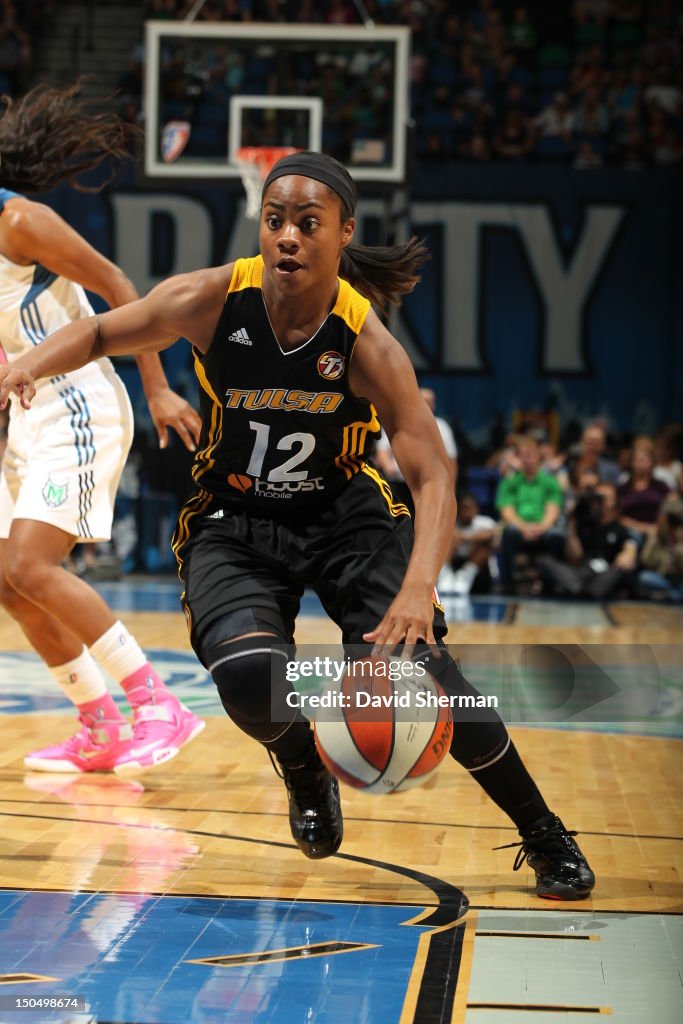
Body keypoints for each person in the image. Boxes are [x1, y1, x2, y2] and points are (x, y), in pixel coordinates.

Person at [0, 150, 594, 900]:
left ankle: (542, 831)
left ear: (343, 233)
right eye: (275, 220)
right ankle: (304, 766)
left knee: (425, 680)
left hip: (344, 517)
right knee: (252, 682)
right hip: (235, 519)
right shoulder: (210, 299)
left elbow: (433, 476)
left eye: (307, 223)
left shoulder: (365, 342)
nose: (286, 235)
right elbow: (97, 334)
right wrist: (26, 367)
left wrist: (418, 591)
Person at [0, 82, 205, 774]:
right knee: (7, 580)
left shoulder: (20, 221)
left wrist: (156, 387)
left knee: (31, 564)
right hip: (24, 418)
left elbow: (121, 289)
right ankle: (100, 727)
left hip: (77, 402)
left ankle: (159, 707)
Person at [537, 482, 638, 600]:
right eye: (598, 497)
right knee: (545, 561)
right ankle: (580, 589)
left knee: (620, 569)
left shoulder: (619, 528)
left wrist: (628, 553)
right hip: (580, 570)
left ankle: (587, 591)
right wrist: (572, 522)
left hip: (604, 572)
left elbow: (629, 546)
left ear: (614, 501)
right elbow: (575, 556)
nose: (601, 502)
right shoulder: (584, 524)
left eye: (605, 498)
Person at [496, 436, 566, 593]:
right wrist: (524, 528)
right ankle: (509, 582)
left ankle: (550, 583)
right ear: (518, 457)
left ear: (539, 457)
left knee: (558, 534)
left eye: (531, 455)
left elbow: (553, 510)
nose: (528, 459)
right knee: (508, 531)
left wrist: (541, 527)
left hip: (543, 528)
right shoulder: (509, 482)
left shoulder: (550, 482)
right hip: (519, 529)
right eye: (524, 455)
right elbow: (507, 511)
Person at [373, 387, 457, 515]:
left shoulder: (442, 427)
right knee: (399, 520)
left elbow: (452, 460)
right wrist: (389, 467)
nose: (428, 404)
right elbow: (382, 450)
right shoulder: (398, 422)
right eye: (424, 401)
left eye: (431, 401)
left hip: (429, 485)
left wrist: (451, 488)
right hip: (398, 483)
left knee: (424, 518)